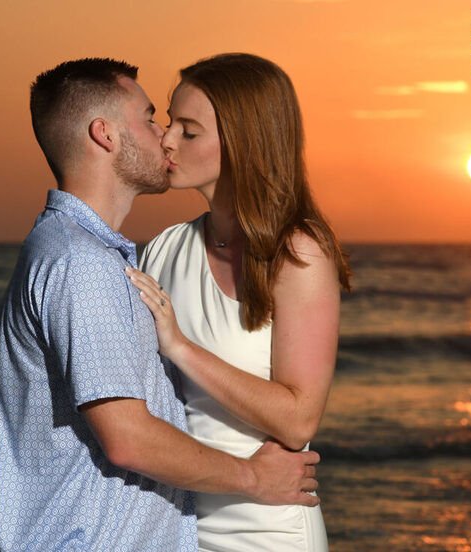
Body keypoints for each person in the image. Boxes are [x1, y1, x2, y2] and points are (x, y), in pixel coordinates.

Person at [0, 58, 320, 551]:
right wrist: (253, 477)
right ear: (105, 135)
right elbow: (129, 438)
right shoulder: (83, 263)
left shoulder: (96, 254)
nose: (164, 137)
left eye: (184, 128)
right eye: (151, 119)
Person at [132, 53, 352, 552]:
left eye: (189, 131)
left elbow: (299, 420)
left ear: (242, 143)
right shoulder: (164, 249)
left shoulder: (297, 252)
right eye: (170, 122)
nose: (167, 139)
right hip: (176, 525)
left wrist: (180, 347)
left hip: (267, 528)